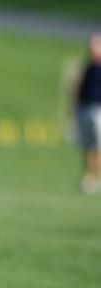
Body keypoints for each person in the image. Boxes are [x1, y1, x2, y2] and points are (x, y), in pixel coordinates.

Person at [75, 33, 101, 194]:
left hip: (99, 111)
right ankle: (88, 178)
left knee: (98, 147)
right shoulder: (88, 68)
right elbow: (79, 90)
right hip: (85, 109)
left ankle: (97, 177)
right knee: (87, 146)